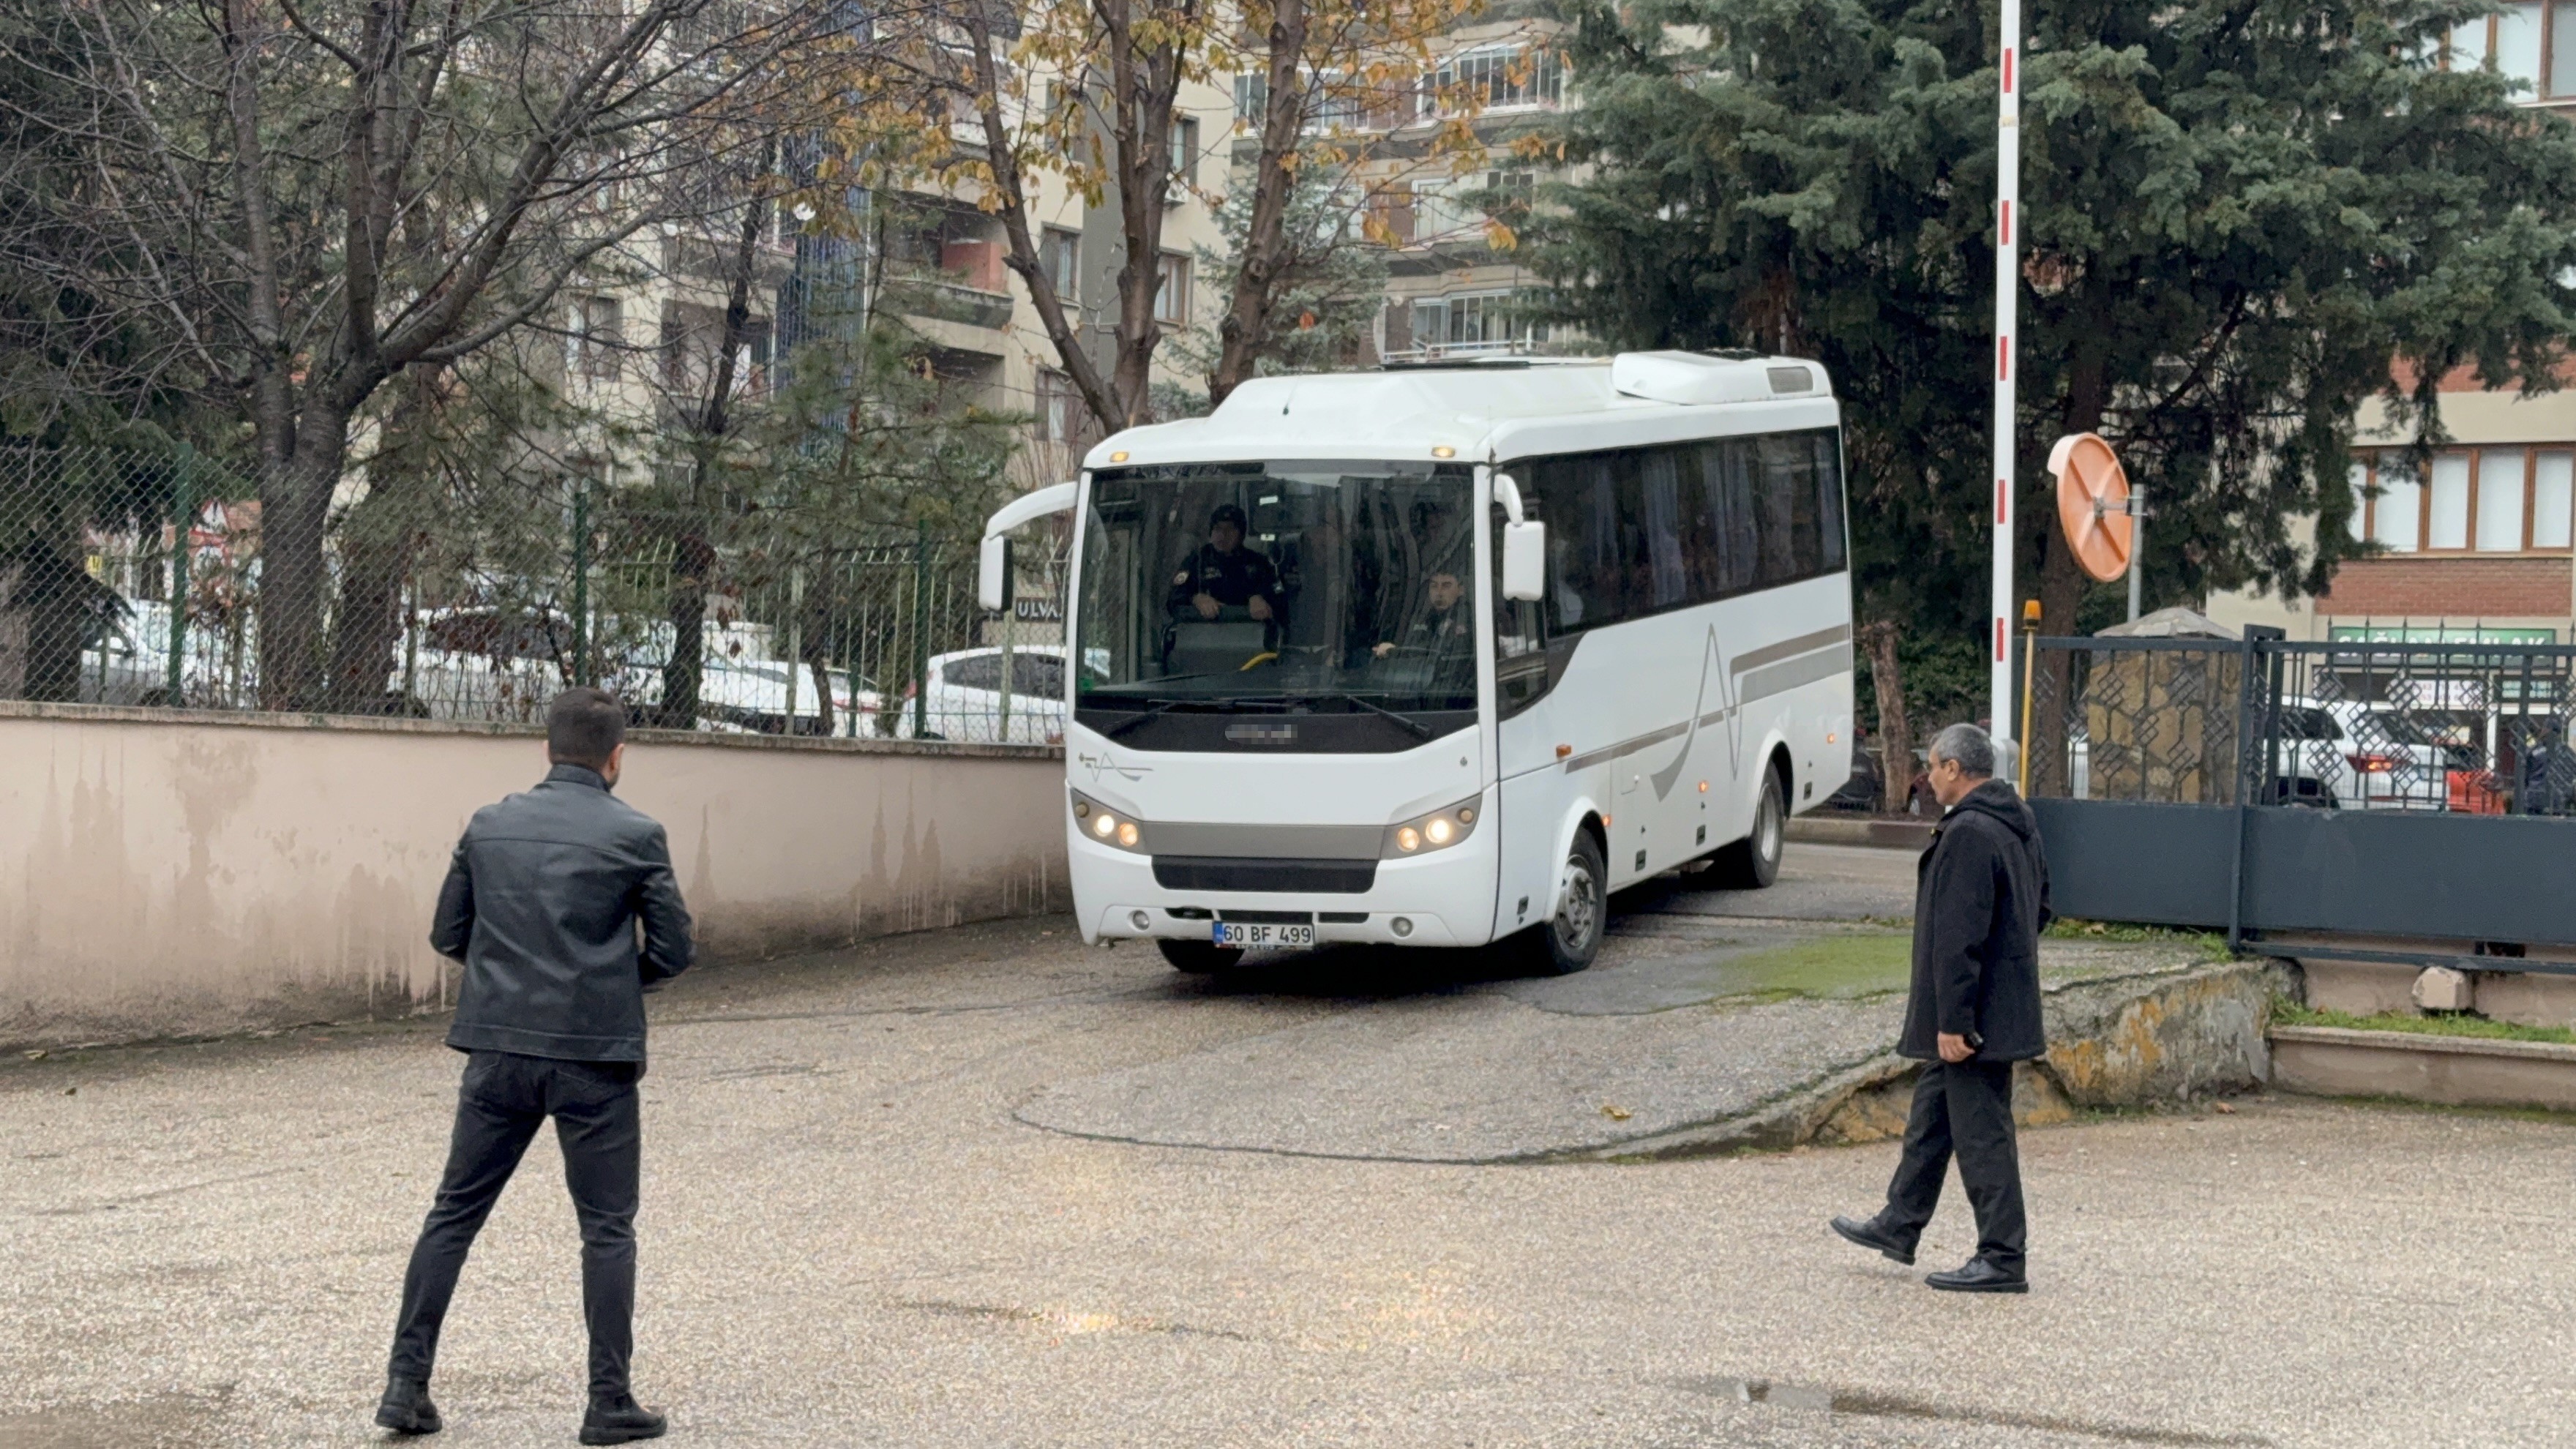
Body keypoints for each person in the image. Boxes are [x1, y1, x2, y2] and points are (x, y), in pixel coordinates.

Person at [378, 687, 694, 1444]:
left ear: (546, 749)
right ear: (617, 757)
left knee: (454, 1213)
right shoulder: (637, 833)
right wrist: (609, 985)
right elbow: (674, 950)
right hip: (594, 1057)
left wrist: (506, 981)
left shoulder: (490, 825)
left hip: (498, 1049)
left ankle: (404, 1386)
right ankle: (607, 1402)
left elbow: (448, 933)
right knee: (607, 1229)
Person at [1829, 722, 2050, 1293]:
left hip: (1974, 1018)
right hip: (1999, 1004)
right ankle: (1899, 1222)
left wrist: (1955, 1022)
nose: (1926, 777)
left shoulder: (1970, 832)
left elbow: (1957, 937)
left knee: (1983, 1135)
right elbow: (2041, 908)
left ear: (1955, 768)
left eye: (1932, 766)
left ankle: (2002, 1257)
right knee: (1933, 1115)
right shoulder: (2018, 822)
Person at [1167, 503, 1281, 623]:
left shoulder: (1259, 563)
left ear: (1241, 534)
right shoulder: (1197, 561)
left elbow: (1279, 595)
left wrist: (1260, 597)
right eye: (1218, 529)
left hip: (1250, 631)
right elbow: (1174, 599)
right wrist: (1196, 598)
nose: (1223, 535)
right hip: (1204, 631)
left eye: (1230, 529)